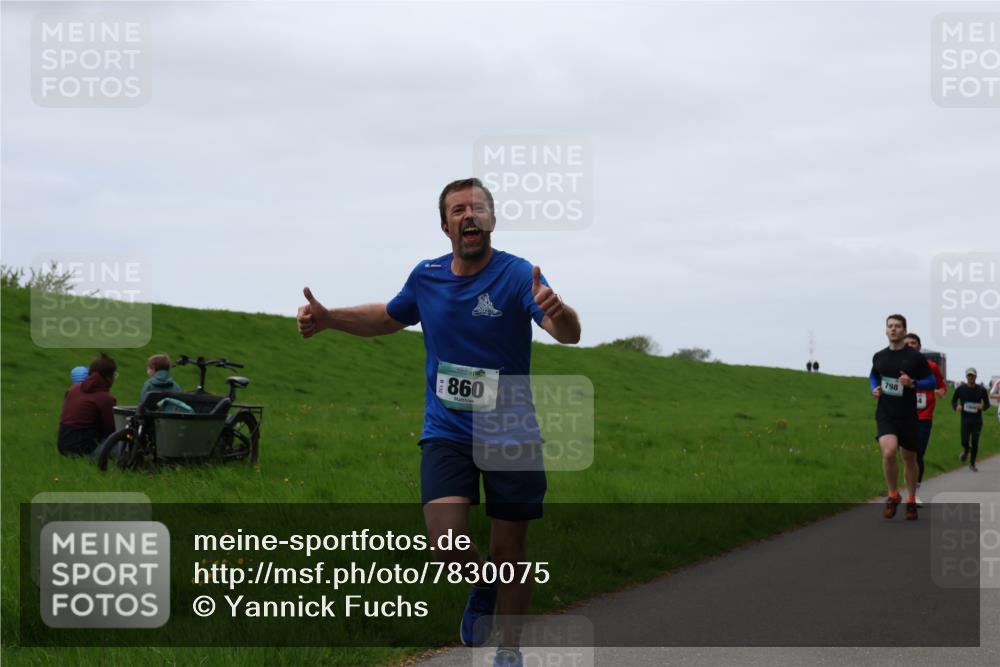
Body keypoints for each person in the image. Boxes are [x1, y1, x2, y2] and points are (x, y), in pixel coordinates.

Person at [297, 177, 581, 667]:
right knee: (446, 543)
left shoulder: (518, 276)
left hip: (509, 429)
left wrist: (561, 312)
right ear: (445, 224)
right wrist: (330, 318)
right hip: (447, 428)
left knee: (509, 550)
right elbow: (387, 317)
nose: (468, 215)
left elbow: (566, 332)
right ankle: (483, 584)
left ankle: (509, 650)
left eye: (477, 208)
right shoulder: (426, 277)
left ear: (491, 220)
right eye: (457, 210)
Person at [869, 315, 936, 521]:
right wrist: (875, 388)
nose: (893, 329)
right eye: (890, 326)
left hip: (908, 414)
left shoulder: (915, 358)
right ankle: (892, 494)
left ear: (904, 330)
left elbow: (931, 380)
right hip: (886, 413)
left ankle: (911, 499)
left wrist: (912, 382)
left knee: (909, 459)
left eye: (897, 326)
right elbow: (873, 375)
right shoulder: (879, 356)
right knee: (889, 451)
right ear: (886, 330)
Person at [903, 333, 947, 501]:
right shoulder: (899, 366)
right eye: (907, 343)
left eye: (913, 343)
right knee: (906, 456)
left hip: (924, 416)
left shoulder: (931, 366)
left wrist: (941, 391)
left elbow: (941, 384)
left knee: (918, 454)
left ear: (919, 347)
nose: (910, 345)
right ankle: (908, 491)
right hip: (904, 416)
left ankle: (914, 493)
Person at [57, 353, 118, 457]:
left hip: (62, 448)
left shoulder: (73, 389)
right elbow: (111, 431)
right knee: (124, 444)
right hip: (84, 452)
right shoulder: (106, 398)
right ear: (108, 377)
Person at [950, 368, 991, 472]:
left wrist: (982, 406)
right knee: (964, 441)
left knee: (975, 442)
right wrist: (956, 407)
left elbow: (987, 404)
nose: (970, 378)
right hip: (965, 420)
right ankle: (966, 450)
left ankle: (972, 464)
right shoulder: (960, 389)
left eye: (972, 376)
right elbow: (953, 401)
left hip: (977, 420)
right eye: (969, 376)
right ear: (966, 377)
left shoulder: (981, 390)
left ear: (975, 377)